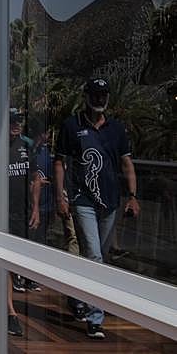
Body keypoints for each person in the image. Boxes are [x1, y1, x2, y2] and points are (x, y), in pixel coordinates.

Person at [54, 78, 139, 340]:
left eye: (104, 95)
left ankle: (76, 296)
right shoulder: (71, 125)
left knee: (98, 256)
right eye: (95, 94)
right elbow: (59, 163)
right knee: (93, 256)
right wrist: (61, 197)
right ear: (86, 96)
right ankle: (95, 318)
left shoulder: (117, 129)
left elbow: (127, 164)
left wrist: (133, 196)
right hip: (82, 201)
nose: (100, 99)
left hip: (110, 202)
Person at [6, 112, 42, 337]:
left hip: (23, 212)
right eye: (12, 121)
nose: (16, 125)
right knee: (5, 263)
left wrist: (36, 208)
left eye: (19, 121)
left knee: (16, 260)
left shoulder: (26, 146)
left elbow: (35, 178)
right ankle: (10, 313)